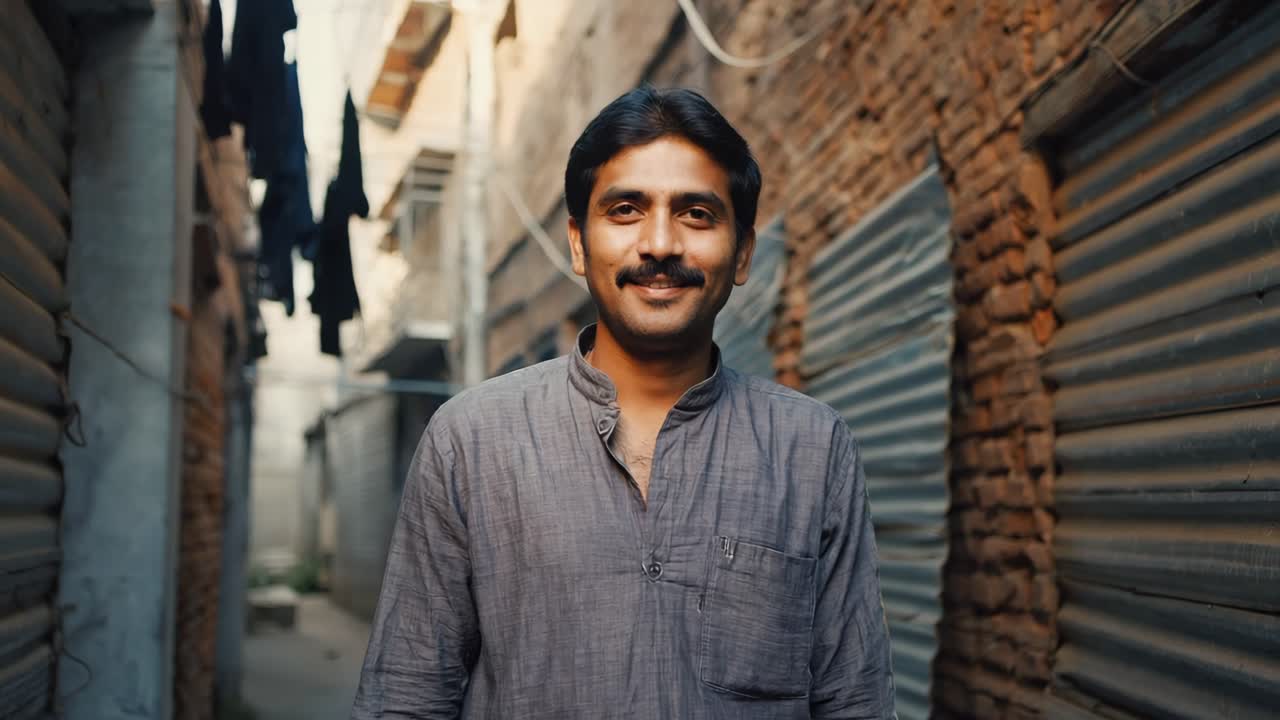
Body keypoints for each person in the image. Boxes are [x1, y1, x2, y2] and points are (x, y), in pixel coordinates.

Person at [351, 85, 896, 719]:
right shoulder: (470, 441)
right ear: (579, 244)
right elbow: (407, 697)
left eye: (697, 213)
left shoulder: (812, 449)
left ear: (743, 252)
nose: (660, 244)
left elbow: (855, 701)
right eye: (626, 210)